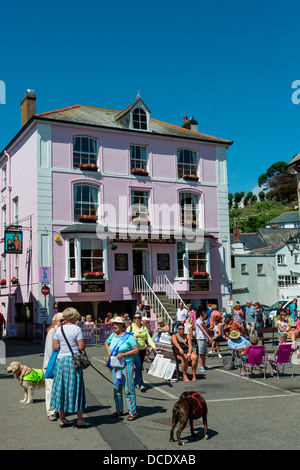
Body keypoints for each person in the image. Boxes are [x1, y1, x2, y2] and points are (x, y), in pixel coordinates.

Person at [50, 307, 88, 428]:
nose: (77, 318)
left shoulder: (59, 329)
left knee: (61, 388)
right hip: (73, 361)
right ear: (72, 317)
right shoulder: (76, 328)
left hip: (61, 361)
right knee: (76, 387)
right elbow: (81, 347)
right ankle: (80, 419)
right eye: (76, 316)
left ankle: (62, 418)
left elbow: (55, 347)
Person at [105, 316, 139, 421]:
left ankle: (132, 412)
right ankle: (119, 410)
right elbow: (106, 343)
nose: (114, 325)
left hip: (126, 364)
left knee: (129, 388)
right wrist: (110, 353)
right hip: (116, 366)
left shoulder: (128, 337)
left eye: (117, 323)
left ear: (122, 325)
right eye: (113, 323)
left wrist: (125, 354)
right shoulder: (112, 336)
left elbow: (136, 350)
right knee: (117, 388)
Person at [127, 312, 156, 392]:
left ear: (141, 318)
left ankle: (136, 382)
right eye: (135, 317)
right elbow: (126, 337)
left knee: (139, 367)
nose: (137, 319)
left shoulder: (144, 327)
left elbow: (148, 337)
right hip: (134, 350)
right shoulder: (130, 327)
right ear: (133, 319)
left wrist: (153, 346)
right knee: (139, 365)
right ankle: (141, 384)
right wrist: (132, 339)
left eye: (139, 317)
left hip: (142, 349)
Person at [43, 312, 64, 421]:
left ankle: (57, 409)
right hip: (51, 364)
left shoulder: (61, 330)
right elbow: (50, 350)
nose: (63, 322)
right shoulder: (52, 331)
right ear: (54, 321)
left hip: (59, 363)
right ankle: (51, 411)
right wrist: (51, 365)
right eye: (61, 320)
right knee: (50, 389)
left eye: (64, 320)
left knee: (58, 389)